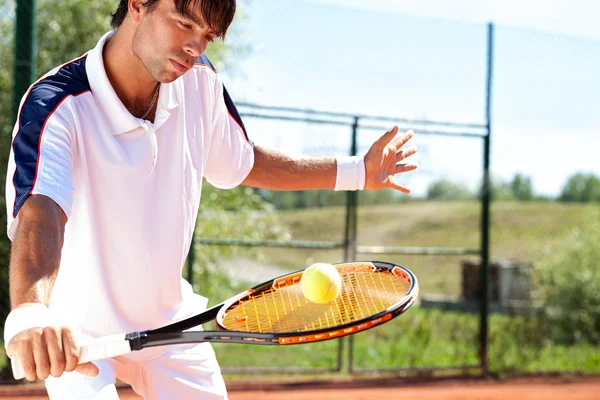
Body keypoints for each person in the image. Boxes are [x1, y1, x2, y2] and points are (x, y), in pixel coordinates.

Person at [2, 0, 418, 399]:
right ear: (137, 4)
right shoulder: (55, 105)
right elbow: (41, 215)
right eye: (184, 23)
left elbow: (244, 160)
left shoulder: (199, 80)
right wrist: (32, 314)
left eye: (208, 35)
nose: (195, 46)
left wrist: (358, 172)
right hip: (76, 336)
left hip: (172, 325)